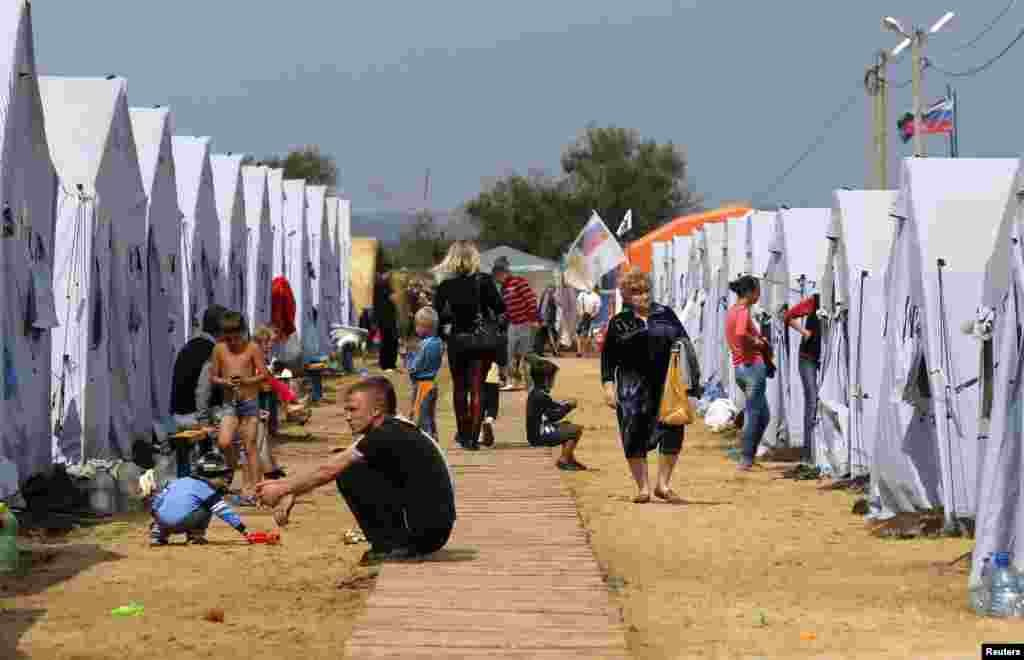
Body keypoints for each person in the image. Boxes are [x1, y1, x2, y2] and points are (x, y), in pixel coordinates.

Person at [254, 377, 456, 565]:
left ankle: (393, 546)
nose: (347, 417)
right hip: (432, 528)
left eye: (353, 410)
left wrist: (281, 489)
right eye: (346, 410)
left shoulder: (387, 433)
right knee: (350, 466)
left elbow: (328, 470)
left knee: (350, 472)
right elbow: (331, 464)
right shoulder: (392, 428)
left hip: (427, 532)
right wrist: (291, 490)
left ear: (376, 411)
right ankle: (392, 543)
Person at [600, 267, 689, 504]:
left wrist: (689, 378)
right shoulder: (619, 322)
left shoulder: (666, 314)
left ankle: (664, 484)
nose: (643, 296)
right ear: (627, 296)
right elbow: (608, 358)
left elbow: (684, 343)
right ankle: (643, 488)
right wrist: (608, 386)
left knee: (673, 430)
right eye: (636, 292)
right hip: (632, 388)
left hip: (665, 384)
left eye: (646, 291)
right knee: (633, 432)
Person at [433, 241, 506, 450]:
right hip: (481, 341)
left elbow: (437, 316)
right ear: (474, 258)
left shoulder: (445, 285)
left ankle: (464, 435)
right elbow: (500, 308)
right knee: (477, 388)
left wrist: (444, 335)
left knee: (459, 388)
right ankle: (474, 438)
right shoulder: (484, 281)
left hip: (458, 340)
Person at [210, 311, 268, 502]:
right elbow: (213, 377)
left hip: (249, 402)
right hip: (230, 403)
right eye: (229, 338)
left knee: (250, 445)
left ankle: (253, 488)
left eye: (236, 337)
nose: (233, 342)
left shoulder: (252, 348)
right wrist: (226, 382)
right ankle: (233, 468)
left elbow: (264, 375)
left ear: (243, 332)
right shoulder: (219, 349)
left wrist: (246, 381)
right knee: (224, 441)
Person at [148, 452, 259, 546]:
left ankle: (158, 534)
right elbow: (225, 512)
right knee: (208, 505)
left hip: (161, 521)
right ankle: (196, 535)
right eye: (223, 476)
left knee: (165, 508)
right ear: (212, 475)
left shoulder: (179, 481)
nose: (226, 480)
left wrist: (156, 520)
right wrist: (244, 531)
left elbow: (157, 501)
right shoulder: (207, 491)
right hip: (180, 524)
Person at [726, 275, 771, 471]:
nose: (759, 294)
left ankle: (749, 455)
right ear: (751, 292)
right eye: (758, 290)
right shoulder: (743, 311)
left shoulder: (732, 311)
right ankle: (746, 458)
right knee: (754, 414)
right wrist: (758, 343)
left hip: (740, 369)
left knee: (764, 415)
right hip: (752, 367)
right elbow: (741, 333)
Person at [526, 356, 586, 470]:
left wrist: (564, 405)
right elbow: (554, 416)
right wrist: (569, 407)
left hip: (536, 433)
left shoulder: (536, 393)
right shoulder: (541, 396)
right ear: (547, 380)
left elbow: (553, 407)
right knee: (576, 430)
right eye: (553, 378)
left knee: (567, 426)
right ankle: (564, 460)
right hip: (539, 436)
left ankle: (569, 458)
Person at [170, 305, 227, 418]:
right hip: (196, 420)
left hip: (177, 417)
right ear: (221, 330)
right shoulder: (214, 352)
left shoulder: (188, 346)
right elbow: (204, 394)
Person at [492, 256, 539, 390]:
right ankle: (513, 381)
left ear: (503, 273)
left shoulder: (519, 282)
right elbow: (506, 308)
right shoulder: (503, 289)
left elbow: (531, 299)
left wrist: (533, 318)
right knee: (509, 354)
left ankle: (530, 384)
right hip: (512, 324)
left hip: (525, 323)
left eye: (497, 275)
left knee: (527, 355)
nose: (496, 279)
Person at [784, 293, 821, 465]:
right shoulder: (815, 300)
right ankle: (807, 453)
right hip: (807, 359)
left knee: (819, 402)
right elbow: (788, 316)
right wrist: (804, 332)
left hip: (822, 359)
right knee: (812, 401)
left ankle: (818, 450)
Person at [407, 306, 444, 441]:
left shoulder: (423, 345)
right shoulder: (439, 343)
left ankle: (426, 441)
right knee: (430, 415)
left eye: (417, 326)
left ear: (425, 327)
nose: (416, 329)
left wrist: (408, 360)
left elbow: (416, 366)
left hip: (422, 384)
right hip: (433, 382)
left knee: (420, 416)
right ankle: (434, 437)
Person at [374, 274, 400, 371]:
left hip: (387, 318)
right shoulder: (382, 286)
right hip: (385, 319)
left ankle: (389, 364)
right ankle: (387, 364)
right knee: (389, 341)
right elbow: (393, 298)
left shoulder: (382, 286)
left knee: (389, 341)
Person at [576, 286, 602, 357]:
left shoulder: (584, 294)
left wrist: (581, 314)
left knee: (582, 334)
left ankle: (582, 351)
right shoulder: (594, 296)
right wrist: (591, 315)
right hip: (586, 316)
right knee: (583, 334)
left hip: (587, 316)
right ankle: (581, 351)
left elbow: (597, 308)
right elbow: (597, 308)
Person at [480, 362, 501, 447]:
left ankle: (479, 435)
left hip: (478, 376)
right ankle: (489, 421)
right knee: (493, 405)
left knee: (480, 406)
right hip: (493, 378)